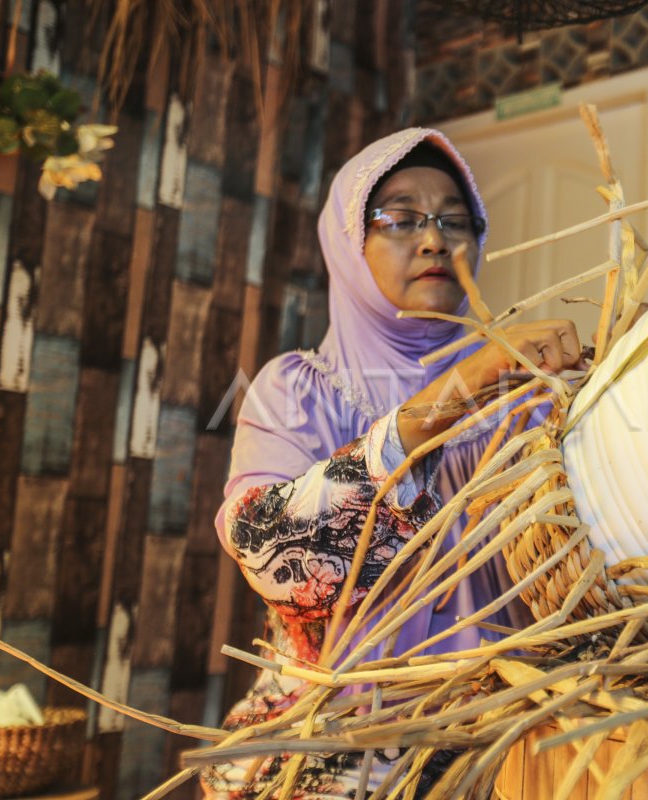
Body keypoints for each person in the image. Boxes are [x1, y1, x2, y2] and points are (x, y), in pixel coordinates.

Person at [201, 128, 583, 798]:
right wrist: (446, 398)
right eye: (401, 219)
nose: (434, 239)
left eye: (454, 220)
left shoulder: (528, 396)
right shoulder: (298, 390)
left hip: (516, 748)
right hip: (341, 749)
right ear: (349, 245)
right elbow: (265, 549)